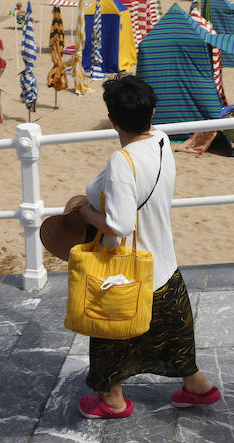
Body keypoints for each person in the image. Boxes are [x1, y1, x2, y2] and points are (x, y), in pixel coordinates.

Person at [75, 76, 221, 419]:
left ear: (112, 120)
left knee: (109, 337)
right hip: (164, 265)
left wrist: (84, 212)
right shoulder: (161, 139)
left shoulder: (121, 162)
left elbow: (122, 225)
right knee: (174, 334)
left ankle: (112, 401)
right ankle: (197, 386)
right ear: (152, 112)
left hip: (127, 271)